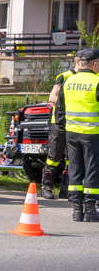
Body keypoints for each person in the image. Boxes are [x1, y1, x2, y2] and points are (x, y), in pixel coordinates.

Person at [57, 47, 99, 222]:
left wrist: (61, 132)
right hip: (92, 134)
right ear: (95, 64)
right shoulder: (96, 82)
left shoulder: (69, 81)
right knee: (92, 170)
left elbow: (60, 111)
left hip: (71, 133)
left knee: (75, 170)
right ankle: (90, 210)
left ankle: (76, 210)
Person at [41, 56, 81, 199]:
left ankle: (66, 189)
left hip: (76, 124)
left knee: (72, 158)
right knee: (54, 156)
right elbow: (53, 97)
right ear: (77, 61)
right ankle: (47, 187)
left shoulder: (90, 77)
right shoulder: (64, 76)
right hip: (59, 122)